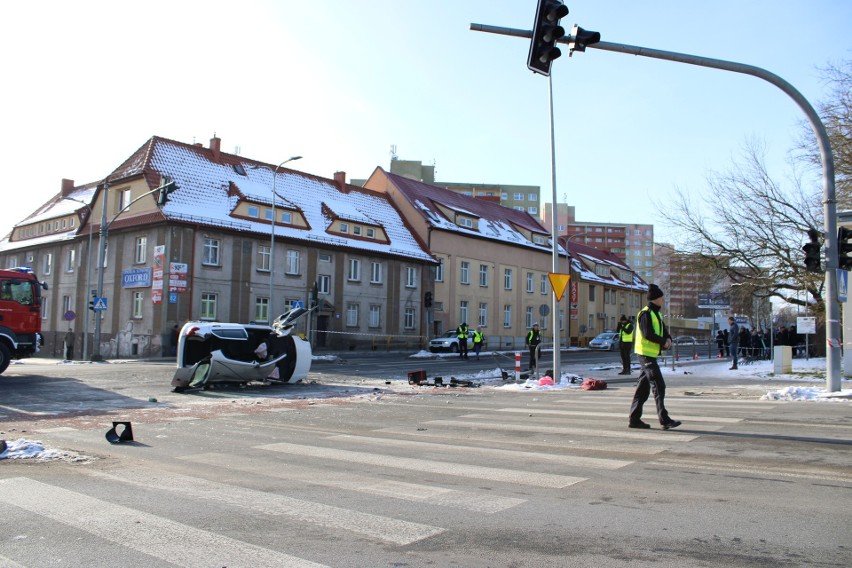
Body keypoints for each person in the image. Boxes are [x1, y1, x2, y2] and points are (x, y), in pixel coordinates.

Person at [628, 284, 681, 430]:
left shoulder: (656, 313)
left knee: (642, 389)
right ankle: (664, 420)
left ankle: (634, 419)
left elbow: (663, 330)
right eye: (662, 297)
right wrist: (663, 341)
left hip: (650, 355)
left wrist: (668, 338)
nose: (664, 299)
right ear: (656, 298)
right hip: (646, 355)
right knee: (659, 386)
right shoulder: (645, 314)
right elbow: (648, 334)